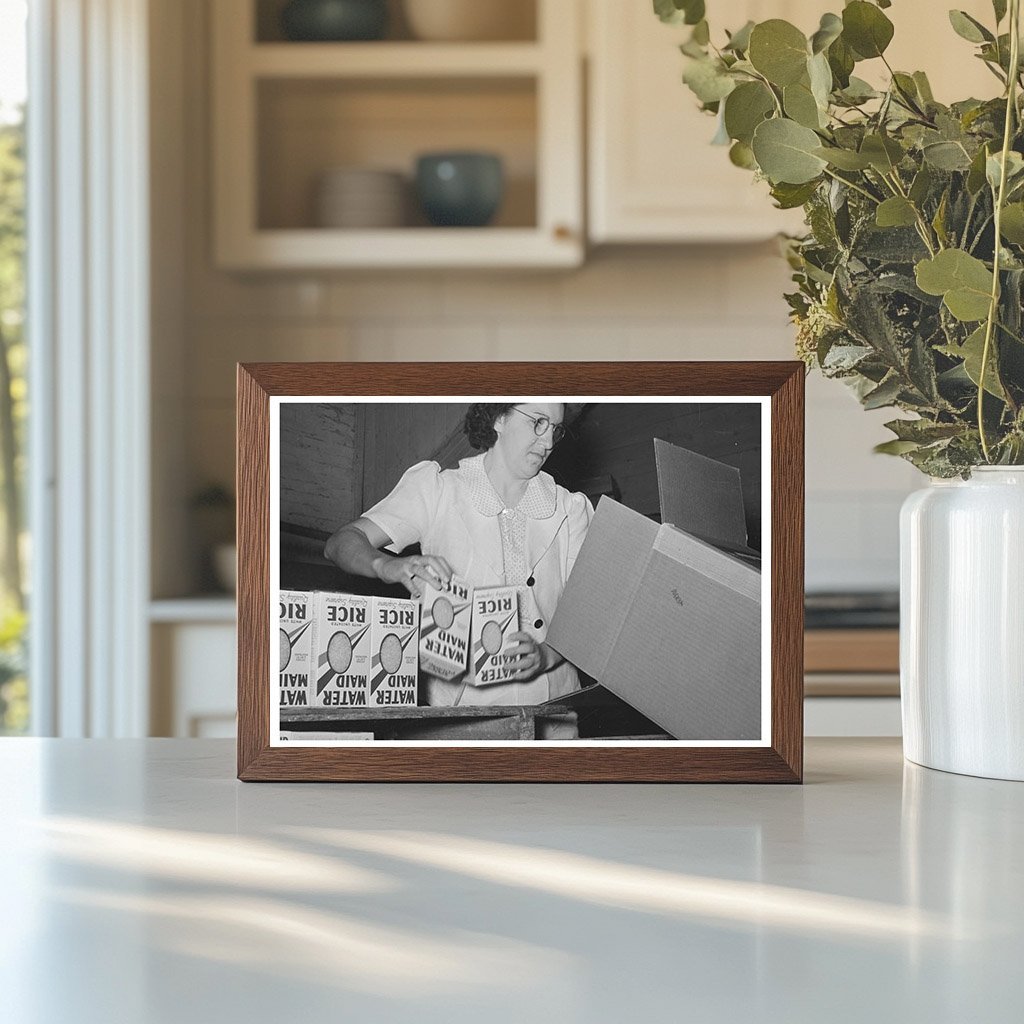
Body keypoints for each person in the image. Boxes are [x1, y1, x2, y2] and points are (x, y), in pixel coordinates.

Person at [323, 403, 593, 708]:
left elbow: (591, 615)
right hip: (463, 713)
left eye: (555, 430)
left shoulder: (571, 510)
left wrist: (548, 655)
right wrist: (386, 565)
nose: (547, 443)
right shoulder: (438, 490)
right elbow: (341, 542)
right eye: (537, 423)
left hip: (554, 708)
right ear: (500, 418)